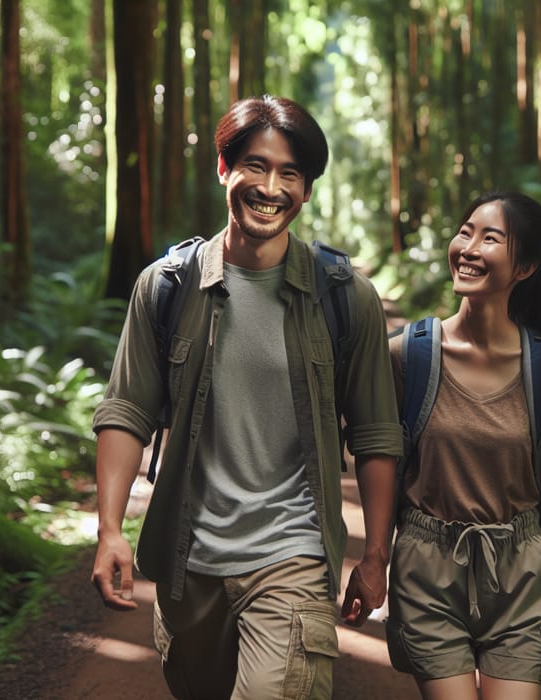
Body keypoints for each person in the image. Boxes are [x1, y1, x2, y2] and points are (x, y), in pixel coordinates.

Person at [90, 95, 403, 700]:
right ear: (223, 169)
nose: (271, 186)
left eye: (291, 174)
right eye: (255, 166)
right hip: (190, 564)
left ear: (307, 190)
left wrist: (376, 555)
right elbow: (127, 409)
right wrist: (109, 529)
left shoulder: (344, 297)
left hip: (294, 555)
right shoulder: (166, 287)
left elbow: (375, 432)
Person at [385, 192, 541, 700]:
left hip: (521, 572)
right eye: (465, 231)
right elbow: (380, 460)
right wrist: (375, 556)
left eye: (490, 238)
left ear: (524, 268)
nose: (469, 247)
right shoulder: (407, 355)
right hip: (428, 567)